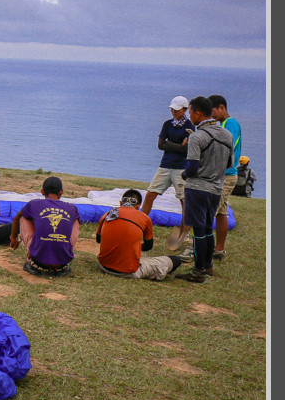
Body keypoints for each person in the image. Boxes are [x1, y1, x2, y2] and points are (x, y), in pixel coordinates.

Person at [177, 96, 233, 283]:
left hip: (197, 188)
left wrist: (184, 175)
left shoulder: (197, 136)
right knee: (208, 228)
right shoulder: (227, 135)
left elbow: (192, 168)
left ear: (198, 113)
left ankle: (198, 271)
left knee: (198, 230)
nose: (189, 116)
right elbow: (229, 164)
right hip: (216, 189)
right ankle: (208, 266)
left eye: (190, 112)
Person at [141, 96, 194, 257]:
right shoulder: (167, 124)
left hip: (181, 167)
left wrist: (170, 145)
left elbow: (188, 149)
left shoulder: (190, 126)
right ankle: (139, 223)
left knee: (184, 199)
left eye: (176, 110)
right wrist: (179, 146)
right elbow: (160, 145)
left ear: (184, 110)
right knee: (150, 193)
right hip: (165, 165)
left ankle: (185, 231)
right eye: (172, 109)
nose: (173, 112)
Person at [96, 189, 185, 281]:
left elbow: (99, 240)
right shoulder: (145, 218)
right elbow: (148, 246)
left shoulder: (107, 214)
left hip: (103, 266)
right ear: (138, 206)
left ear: (120, 203)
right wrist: (131, 246)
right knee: (175, 260)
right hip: (129, 271)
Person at [9, 176, 80, 277]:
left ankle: (33, 257)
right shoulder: (72, 208)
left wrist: (13, 238)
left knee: (23, 217)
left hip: (37, 262)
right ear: (61, 192)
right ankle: (62, 252)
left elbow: (16, 219)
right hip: (62, 263)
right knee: (75, 220)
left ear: (42, 192)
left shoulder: (34, 204)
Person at [209, 94, 242, 262]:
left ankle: (198, 248)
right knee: (221, 212)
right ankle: (219, 250)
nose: (211, 115)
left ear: (222, 107)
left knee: (209, 212)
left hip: (226, 175)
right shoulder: (221, 124)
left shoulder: (231, 124)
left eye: (212, 111)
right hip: (220, 174)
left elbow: (228, 148)